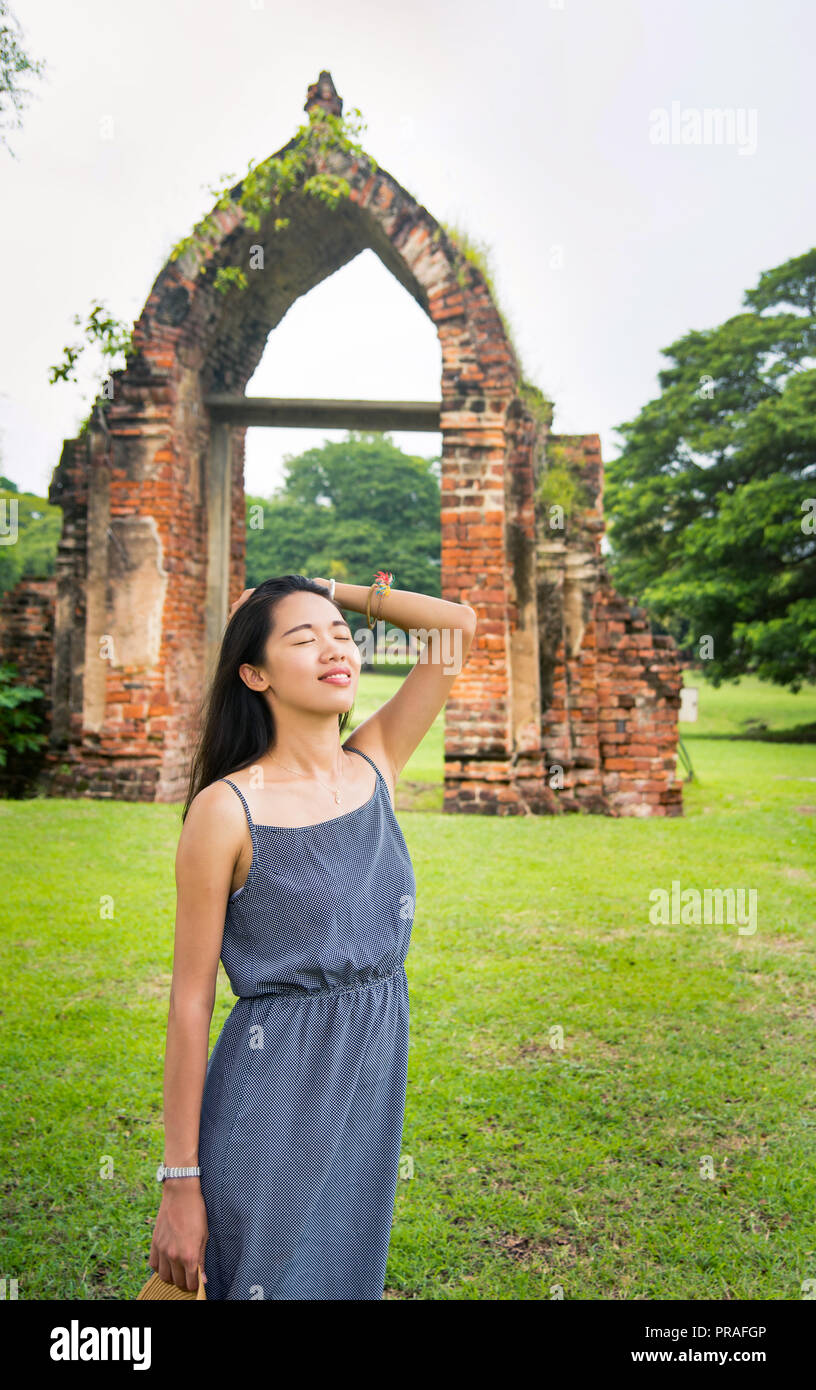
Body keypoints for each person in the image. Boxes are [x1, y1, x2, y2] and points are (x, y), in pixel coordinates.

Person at [147, 572, 476, 1299]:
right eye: (304, 637)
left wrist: (323, 587)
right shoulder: (225, 810)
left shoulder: (376, 763)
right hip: (272, 1093)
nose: (335, 648)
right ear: (254, 673)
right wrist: (179, 1182)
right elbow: (190, 1003)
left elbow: (455, 624)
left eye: (341, 634)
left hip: (368, 1087)